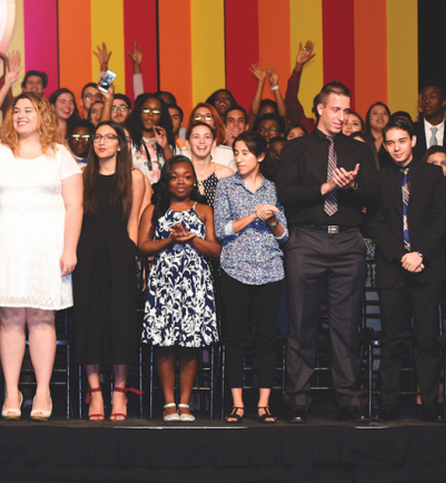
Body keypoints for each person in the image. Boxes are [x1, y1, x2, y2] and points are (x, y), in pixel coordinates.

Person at [0, 68, 83, 421]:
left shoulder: (60, 155)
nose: (21, 115)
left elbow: (75, 206)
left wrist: (70, 249)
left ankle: (41, 390)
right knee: (8, 318)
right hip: (5, 245)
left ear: (43, 117)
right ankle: (11, 390)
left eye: (28, 110)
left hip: (46, 248)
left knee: (40, 318)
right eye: (17, 110)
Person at [275, 80, 380, 423]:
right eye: (335, 109)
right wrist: (327, 186)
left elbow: (373, 198)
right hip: (307, 240)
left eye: (346, 110)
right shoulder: (297, 148)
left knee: (346, 326)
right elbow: (287, 195)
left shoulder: (359, 150)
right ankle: (297, 401)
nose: (341, 116)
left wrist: (351, 188)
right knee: (301, 324)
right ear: (319, 108)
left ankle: (348, 399)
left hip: (349, 240)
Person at [365, 117, 446, 422]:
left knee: (427, 338)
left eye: (402, 141)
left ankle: (428, 404)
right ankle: (388, 404)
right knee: (392, 340)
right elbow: (373, 222)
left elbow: (441, 218)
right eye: (390, 143)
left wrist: (419, 253)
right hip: (393, 266)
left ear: (413, 141)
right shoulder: (379, 177)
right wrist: (403, 255)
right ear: (384, 146)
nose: (396, 148)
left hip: (426, 266)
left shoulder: (432, 174)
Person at [74, 121, 148, 422]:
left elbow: (133, 223)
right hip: (87, 254)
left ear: (121, 144)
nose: (102, 141)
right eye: (98, 137)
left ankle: (119, 392)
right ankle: (95, 393)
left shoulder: (134, 177)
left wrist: (133, 259)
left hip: (120, 253)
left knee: (121, 323)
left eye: (109, 137)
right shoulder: (81, 176)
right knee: (89, 321)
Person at [139, 156, 220, 421]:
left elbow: (216, 250)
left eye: (186, 176)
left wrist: (191, 239)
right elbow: (143, 246)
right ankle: (169, 404)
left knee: (190, 343)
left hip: (195, 284)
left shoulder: (204, 209)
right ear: (166, 180)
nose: (181, 181)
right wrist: (170, 240)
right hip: (164, 284)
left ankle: (185, 404)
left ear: (194, 180)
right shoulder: (154, 210)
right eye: (174, 176)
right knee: (165, 343)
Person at [214, 132, 288, 423]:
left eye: (245, 153)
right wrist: (251, 217)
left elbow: (285, 236)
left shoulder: (274, 188)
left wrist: (271, 221)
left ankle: (264, 404)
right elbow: (221, 230)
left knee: (267, 339)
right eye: (236, 152)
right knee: (235, 338)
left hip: (270, 269)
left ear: (259, 157)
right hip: (235, 269)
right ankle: (237, 404)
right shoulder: (226, 187)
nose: (239, 158)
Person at [185, 121, 234, 207]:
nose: (202, 141)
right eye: (196, 137)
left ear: (214, 143)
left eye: (207, 137)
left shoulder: (226, 174)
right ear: (188, 143)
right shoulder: (181, 173)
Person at [128, 94, 172, 184]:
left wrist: (165, 147)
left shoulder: (167, 143)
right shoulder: (129, 142)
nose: (150, 114)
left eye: (156, 111)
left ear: (162, 116)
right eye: (146, 109)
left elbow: (174, 171)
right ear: (139, 113)